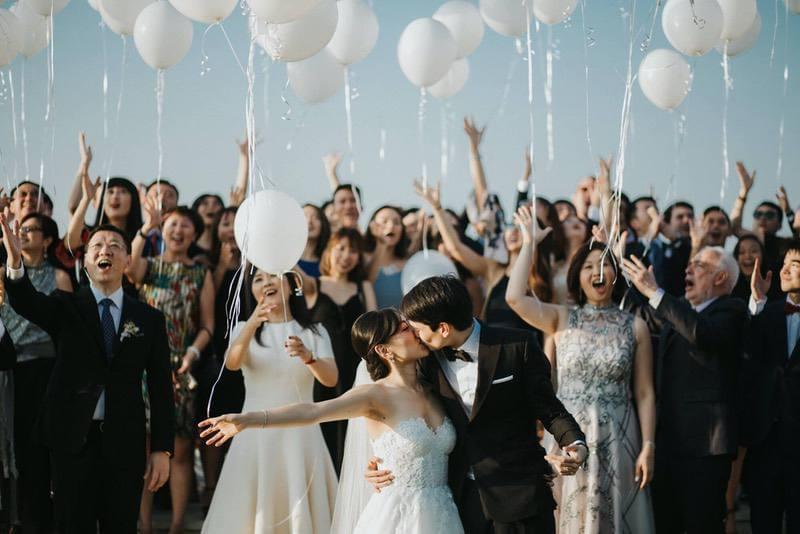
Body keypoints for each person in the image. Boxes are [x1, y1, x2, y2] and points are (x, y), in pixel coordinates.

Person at [201, 308, 465, 533]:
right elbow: (314, 411)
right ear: (384, 349)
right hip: (398, 517)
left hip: (445, 513)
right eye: (405, 328)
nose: (416, 331)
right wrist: (249, 419)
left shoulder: (437, 385)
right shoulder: (375, 395)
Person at [367, 275, 588, 534]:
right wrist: (382, 462)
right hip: (458, 501)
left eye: (417, 330)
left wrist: (575, 444)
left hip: (520, 495)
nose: (414, 337)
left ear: (443, 329)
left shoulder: (518, 346)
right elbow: (406, 411)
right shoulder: (424, 361)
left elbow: (551, 410)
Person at [1, 218, 174, 533]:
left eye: (114, 245)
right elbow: (26, 301)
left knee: (121, 526)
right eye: (96, 246)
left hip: (125, 444)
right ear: (84, 262)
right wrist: (14, 262)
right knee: (72, 525)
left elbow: (162, 386)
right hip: (72, 442)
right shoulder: (65, 307)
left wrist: (162, 449)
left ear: (127, 260)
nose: (104, 250)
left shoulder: (148, 318)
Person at [506, 206, 656, 533]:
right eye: (588, 266)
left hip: (620, 435)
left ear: (615, 275)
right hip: (566, 435)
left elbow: (644, 393)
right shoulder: (562, 318)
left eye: (604, 265)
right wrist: (529, 244)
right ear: (578, 276)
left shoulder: (636, 326)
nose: (597, 272)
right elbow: (515, 298)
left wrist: (648, 445)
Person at [200, 268, 339, 534]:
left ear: (289, 285)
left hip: (301, 434)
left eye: (272, 276)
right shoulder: (243, 328)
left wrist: (308, 357)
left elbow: (331, 379)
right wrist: (253, 322)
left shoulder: (314, 331)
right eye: (258, 279)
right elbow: (232, 363)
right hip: (253, 434)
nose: (266, 283)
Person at [622, 246, 746, 534]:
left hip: (706, 445)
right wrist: (619, 267)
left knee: (702, 524)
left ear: (721, 277)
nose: (688, 269)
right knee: (666, 522)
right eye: (689, 264)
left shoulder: (733, 310)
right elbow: (636, 315)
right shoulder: (676, 309)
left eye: (699, 265)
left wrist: (656, 293)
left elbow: (702, 333)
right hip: (667, 441)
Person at [128, 204, 214, 534]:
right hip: (142, 367)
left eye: (185, 227)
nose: (179, 231)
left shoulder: (200, 273)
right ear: (164, 229)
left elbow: (207, 324)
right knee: (143, 449)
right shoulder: (149, 267)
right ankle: (143, 526)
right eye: (173, 225)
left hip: (180, 366)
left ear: (194, 234)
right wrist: (146, 226)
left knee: (178, 449)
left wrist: (193, 352)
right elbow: (130, 271)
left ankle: (178, 525)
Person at [0, 213, 72, 532]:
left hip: (49, 371)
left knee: (47, 449)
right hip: (12, 371)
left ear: (47, 240)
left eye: (32, 229)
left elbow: (68, 331)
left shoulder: (60, 277)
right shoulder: (3, 274)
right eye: (20, 229)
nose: (24, 234)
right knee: (20, 448)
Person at [304, 228, 376, 471]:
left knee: (350, 434)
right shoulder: (314, 285)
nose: (346, 255)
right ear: (329, 251)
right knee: (322, 428)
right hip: (321, 371)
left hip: (356, 371)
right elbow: (289, 268)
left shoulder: (363, 287)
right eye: (340, 248)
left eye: (353, 250)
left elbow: (375, 327)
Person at [745, 242, 800, 533]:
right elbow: (748, 355)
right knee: (763, 519)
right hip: (767, 441)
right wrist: (757, 300)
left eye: (795, 265)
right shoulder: (769, 311)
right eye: (784, 264)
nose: (785, 270)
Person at [365, 205, 408, 309]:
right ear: (372, 227)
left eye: (396, 222)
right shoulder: (363, 258)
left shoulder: (408, 264)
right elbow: (368, 283)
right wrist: (381, 243)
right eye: (384, 221)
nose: (391, 226)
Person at [298, 203, 331, 278]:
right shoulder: (287, 260)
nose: (309, 221)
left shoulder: (329, 264)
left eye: (316, 217)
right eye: (304, 216)